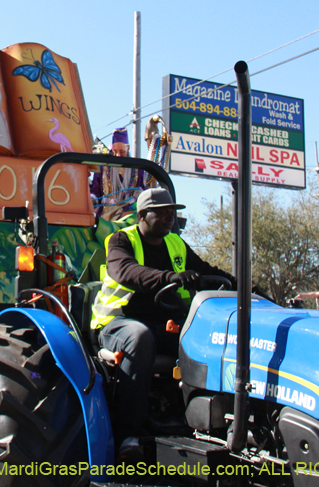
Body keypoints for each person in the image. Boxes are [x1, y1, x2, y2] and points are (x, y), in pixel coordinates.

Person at [90, 188, 235, 461]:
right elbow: (126, 271)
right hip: (117, 323)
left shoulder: (176, 244)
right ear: (143, 215)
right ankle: (128, 435)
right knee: (140, 336)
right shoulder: (121, 240)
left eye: (173, 212)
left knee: (213, 337)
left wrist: (252, 292)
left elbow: (210, 272)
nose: (171, 217)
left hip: (165, 324)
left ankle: (207, 424)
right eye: (163, 212)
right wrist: (171, 278)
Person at [90, 128, 147, 219]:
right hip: (106, 216)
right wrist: (92, 200)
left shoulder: (138, 169)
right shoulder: (103, 168)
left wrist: (139, 194)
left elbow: (144, 191)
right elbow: (95, 191)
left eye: (122, 152)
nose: (118, 155)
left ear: (127, 148)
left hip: (129, 215)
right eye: (115, 152)